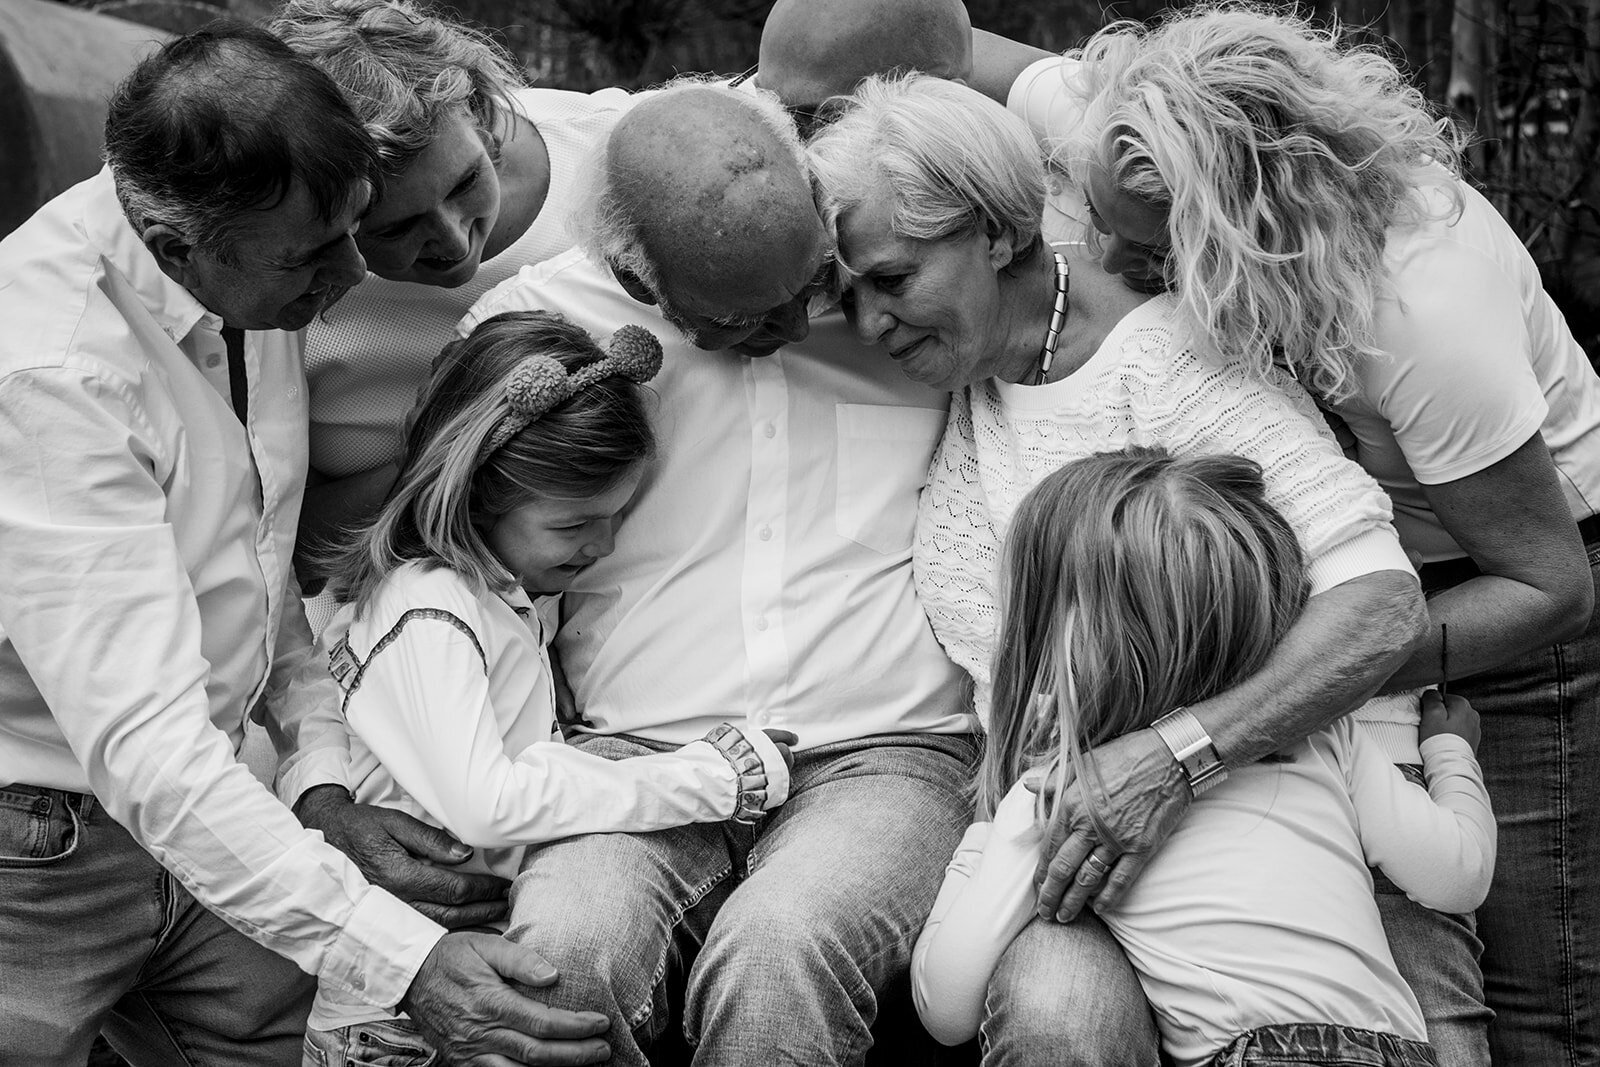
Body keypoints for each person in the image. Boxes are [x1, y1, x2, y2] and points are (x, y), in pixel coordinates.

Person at [0, 25, 609, 1067]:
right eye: (309, 256)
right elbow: (147, 745)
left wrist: (320, 787)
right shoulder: (47, 375)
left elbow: (252, 566)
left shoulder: (260, 274)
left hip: (218, 812)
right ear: (176, 239)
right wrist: (408, 961)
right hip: (34, 863)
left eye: (351, 233)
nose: (346, 279)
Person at [999, 7, 1600, 1060]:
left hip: (1499, 597)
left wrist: (1253, 679)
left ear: (1246, 228)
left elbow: (1550, 585)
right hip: (1339, 593)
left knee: (1533, 996)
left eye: (1144, 250)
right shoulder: (1122, 132)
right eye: (1092, 215)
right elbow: (929, 38)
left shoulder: (1416, 308)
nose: (1099, 255)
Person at [807, 72, 1432, 1064]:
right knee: (1036, 997)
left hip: (1223, 849)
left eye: (891, 280)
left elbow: (1382, 604)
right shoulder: (980, 372)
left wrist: (1172, 760)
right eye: (850, 293)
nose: (871, 325)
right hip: (1045, 853)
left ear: (997, 233)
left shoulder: (1168, 365)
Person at [450, 81, 980, 1065]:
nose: (790, 325)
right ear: (641, 283)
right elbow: (459, 570)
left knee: (778, 946)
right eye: (741, 319)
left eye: (802, 289)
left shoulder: (897, 306)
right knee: (558, 961)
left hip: (883, 753)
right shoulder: (537, 329)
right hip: (630, 753)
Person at [303, 309, 794, 1065]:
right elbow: (486, 801)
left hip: (456, 965)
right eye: (575, 525)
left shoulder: (499, 594)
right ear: (480, 494)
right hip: (392, 1024)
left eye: (619, 515)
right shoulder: (430, 607)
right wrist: (706, 776)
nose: (603, 544)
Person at [913, 447, 1496, 1067]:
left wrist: (982, 836)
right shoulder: (1323, 736)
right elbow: (1458, 876)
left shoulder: (1065, 796)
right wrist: (1451, 752)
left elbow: (946, 1009)